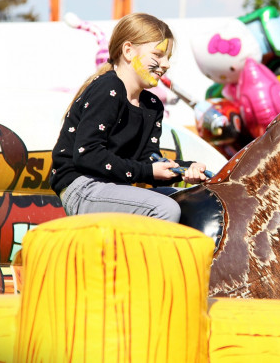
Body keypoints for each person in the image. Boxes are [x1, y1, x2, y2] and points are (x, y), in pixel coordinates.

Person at [50, 12, 209, 223]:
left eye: (168, 58)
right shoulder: (109, 88)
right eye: (158, 55)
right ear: (128, 51)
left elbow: (148, 161)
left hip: (114, 188)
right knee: (165, 208)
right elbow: (87, 154)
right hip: (83, 187)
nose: (166, 64)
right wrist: (149, 171)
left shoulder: (152, 105)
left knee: (191, 202)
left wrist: (185, 168)